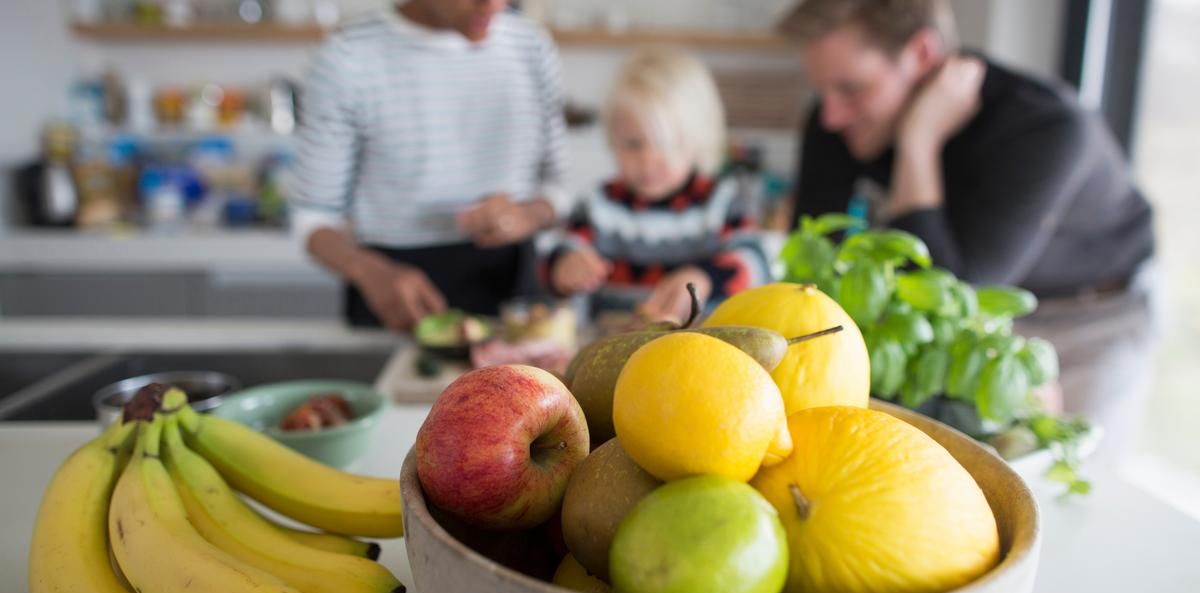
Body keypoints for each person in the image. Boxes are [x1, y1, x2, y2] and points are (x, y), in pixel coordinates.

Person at [781, 0, 1158, 455]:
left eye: (852, 89)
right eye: (822, 92)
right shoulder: (838, 120)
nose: (831, 116)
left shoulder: (1044, 127)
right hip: (980, 315)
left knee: (1070, 478)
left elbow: (956, 289)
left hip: (1094, 314)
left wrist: (917, 143)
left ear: (922, 53)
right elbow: (816, 260)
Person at [288, 0, 569, 330]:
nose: (494, 5)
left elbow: (557, 187)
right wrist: (368, 271)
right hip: (396, 297)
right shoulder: (348, 58)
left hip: (514, 293)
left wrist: (527, 215)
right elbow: (314, 218)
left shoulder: (531, 46)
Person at [547, 48, 772, 324]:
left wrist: (704, 278)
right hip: (614, 354)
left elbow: (756, 263)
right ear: (612, 139)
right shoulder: (598, 204)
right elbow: (558, 255)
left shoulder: (722, 201)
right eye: (633, 144)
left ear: (697, 141)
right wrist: (564, 266)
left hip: (701, 353)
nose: (648, 160)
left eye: (667, 145)